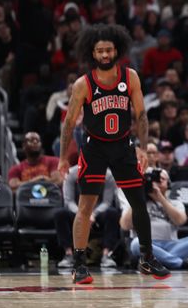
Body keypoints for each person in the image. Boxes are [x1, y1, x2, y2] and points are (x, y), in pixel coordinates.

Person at [57, 24, 169, 284]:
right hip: (94, 148)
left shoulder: (130, 77)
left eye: (109, 50)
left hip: (123, 146)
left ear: (117, 50)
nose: (105, 55)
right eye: (100, 51)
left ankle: (147, 257)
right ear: (92, 53)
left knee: (139, 202)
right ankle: (79, 264)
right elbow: (69, 123)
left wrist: (142, 145)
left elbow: (140, 115)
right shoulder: (82, 84)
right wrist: (63, 157)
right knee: (85, 206)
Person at [121, 167, 188, 270]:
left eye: (162, 179)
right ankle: (179, 263)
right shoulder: (135, 202)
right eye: (155, 179)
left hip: (172, 244)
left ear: (168, 184)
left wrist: (160, 198)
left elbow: (180, 221)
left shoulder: (175, 203)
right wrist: (138, 198)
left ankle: (151, 262)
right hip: (148, 245)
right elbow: (125, 225)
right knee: (136, 244)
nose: (158, 182)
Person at [55, 165, 120, 269]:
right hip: (77, 210)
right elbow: (69, 201)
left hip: (97, 212)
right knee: (60, 214)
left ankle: (106, 255)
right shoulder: (71, 173)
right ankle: (68, 255)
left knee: (112, 213)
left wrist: (93, 214)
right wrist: (82, 214)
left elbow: (107, 202)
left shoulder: (108, 175)